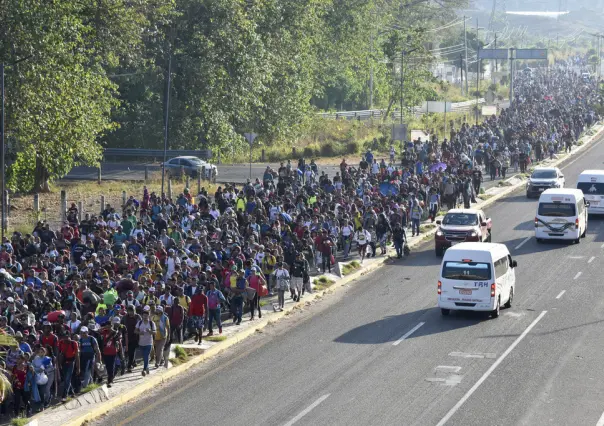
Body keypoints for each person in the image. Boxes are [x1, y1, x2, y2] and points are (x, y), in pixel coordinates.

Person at [57, 332, 80, 401]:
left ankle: (64, 395)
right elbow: (59, 353)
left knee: (67, 378)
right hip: (63, 362)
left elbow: (77, 356)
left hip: (71, 362)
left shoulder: (74, 343)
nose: (66, 338)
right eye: (64, 337)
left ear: (69, 336)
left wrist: (78, 368)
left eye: (67, 337)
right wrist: (59, 363)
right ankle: (72, 392)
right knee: (66, 379)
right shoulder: (61, 343)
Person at [135, 306, 155, 376]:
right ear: (142, 316)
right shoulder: (139, 323)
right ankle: (147, 367)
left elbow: (155, 332)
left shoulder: (151, 323)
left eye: (146, 315)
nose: (145, 317)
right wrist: (139, 332)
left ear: (148, 316)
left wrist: (150, 331)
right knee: (145, 356)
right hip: (141, 343)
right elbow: (135, 331)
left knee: (146, 355)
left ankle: (144, 369)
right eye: (144, 315)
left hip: (149, 342)